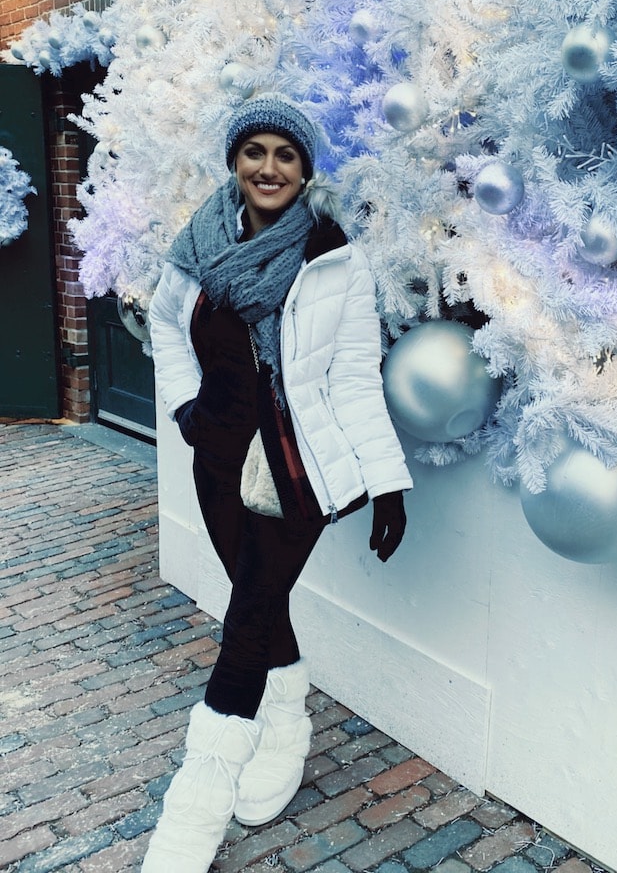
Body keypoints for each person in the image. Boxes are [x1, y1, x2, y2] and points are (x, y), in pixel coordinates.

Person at [143, 94, 412, 872]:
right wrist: (188, 406)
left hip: (294, 467)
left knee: (248, 613)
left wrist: (386, 482)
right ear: (235, 161)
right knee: (258, 605)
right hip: (218, 455)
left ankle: (195, 808)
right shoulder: (196, 242)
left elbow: (357, 375)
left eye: (285, 155)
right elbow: (166, 324)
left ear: (304, 170)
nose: (269, 167)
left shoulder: (333, 256)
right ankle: (288, 721)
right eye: (255, 151)